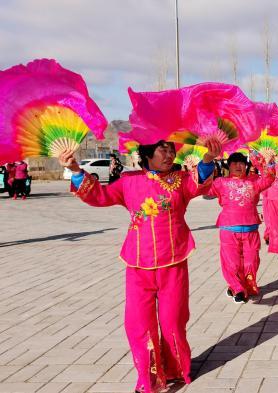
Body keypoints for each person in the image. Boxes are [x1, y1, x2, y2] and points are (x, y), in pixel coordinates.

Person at [59, 139, 221, 393]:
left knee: (173, 321)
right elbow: (100, 196)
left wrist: (209, 157)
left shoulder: (181, 179)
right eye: (162, 150)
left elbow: (200, 182)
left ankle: (175, 370)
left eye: (171, 150)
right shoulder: (129, 181)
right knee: (138, 324)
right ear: (146, 154)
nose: (168, 155)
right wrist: (77, 171)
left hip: (173, 262)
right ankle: (149, 378)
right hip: (137, 263)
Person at [207, 152, 274, 303]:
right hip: (229, 229)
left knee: (251, 261)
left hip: (251, 230)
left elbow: (269, 179)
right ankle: (238, 289)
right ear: (228, 166)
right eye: (234, 163)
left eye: (242, 163)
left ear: (246, 165)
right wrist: (203, 167)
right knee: (233, 263)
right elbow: (203, 188)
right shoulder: (221, 182)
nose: (238, 166)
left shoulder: (255, 180)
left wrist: (266, 162)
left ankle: (247, 286)